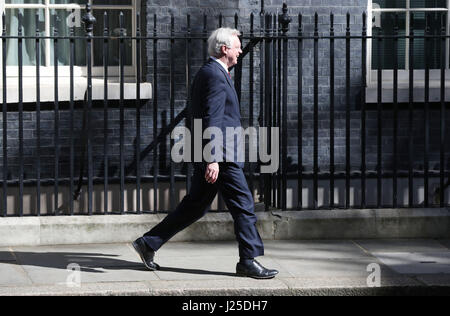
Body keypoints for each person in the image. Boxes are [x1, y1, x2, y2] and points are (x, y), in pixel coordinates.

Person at [132, 27, 278, 279]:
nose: (241, 50)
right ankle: (247, 260)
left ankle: (148, 243)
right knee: (244, 206)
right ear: (224, 49)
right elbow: (211, 118)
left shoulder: (212, 72)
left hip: (214, 152)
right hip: (221, 155)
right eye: (237, 46)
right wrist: (212, 158)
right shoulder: (214, 75)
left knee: (195, 206)